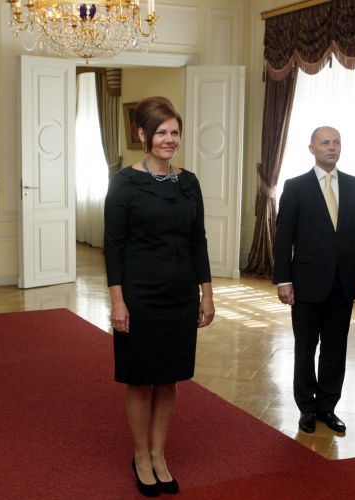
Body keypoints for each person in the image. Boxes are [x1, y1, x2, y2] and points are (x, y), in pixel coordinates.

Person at [104, 96, 214, 497]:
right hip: (140, 297)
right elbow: (114, 246)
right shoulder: (124, 183)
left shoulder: (189, 183)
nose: (169, 139)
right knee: (140, 380)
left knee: (169, 379)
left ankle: (158, 454)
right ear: (143, 135)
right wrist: (118, 301)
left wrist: (207, 294)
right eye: (161, 132)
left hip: (180, 296)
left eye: (174, 132)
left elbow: (198, 241)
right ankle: (140, 455)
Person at [272, 126, 355, 435]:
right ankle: (306, 408)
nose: (332, 147)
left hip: (343, 282)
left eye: (336, 142)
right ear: (312, 148)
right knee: (305, 348)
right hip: (305, 283)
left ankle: (327, 407)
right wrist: (283, 280)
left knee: (335, 348)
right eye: (325, 142)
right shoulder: (295, 187)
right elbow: (283, 238)